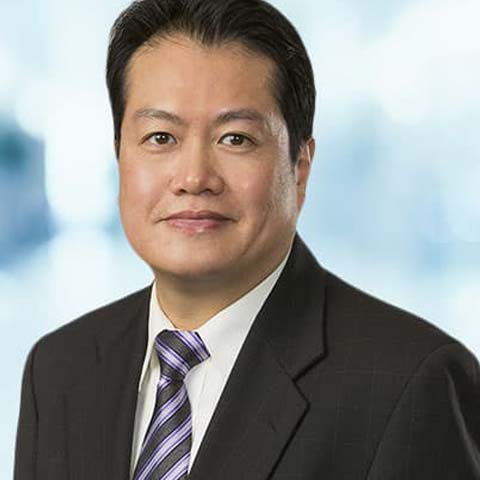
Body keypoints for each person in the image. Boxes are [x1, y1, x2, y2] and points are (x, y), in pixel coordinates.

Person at [14, 0, 480, 478]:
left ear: (299, 169)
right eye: (160, 137)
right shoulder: (58, 370)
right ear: (119, 157)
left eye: (235, 139)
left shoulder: (410, 383)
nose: (194, 178)